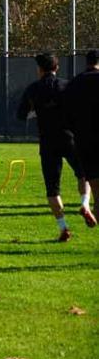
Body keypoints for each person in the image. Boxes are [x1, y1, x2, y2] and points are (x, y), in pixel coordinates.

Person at [17, 53, 95, 242]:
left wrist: (39, 112)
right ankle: (85, 204)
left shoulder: (33, 89)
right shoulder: (66, 85)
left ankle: (63, 227)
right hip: (69, 138)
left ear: (39, 69)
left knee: (53, 189)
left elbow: (21, 115)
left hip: (47, 142)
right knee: (84, 174)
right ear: (56, 67)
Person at [65, 49, 99, 227]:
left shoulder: (74, 83)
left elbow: (66, 114)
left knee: (96, 191)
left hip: (83, 140)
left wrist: (77, 130)